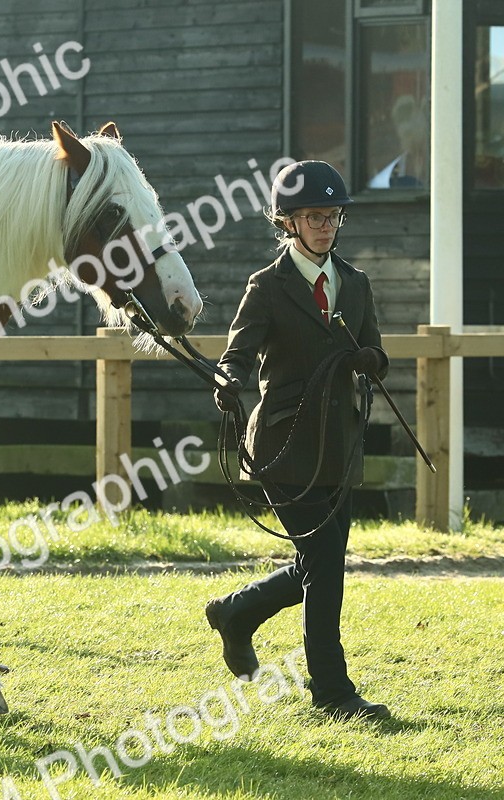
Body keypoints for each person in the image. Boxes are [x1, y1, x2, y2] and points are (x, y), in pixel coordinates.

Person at [205, 161, 391, 721]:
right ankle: (333, 693)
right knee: (326, 560)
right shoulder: (266, 287)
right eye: (314, 216)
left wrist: (369, 359)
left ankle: (237, 613)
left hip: (339, 447)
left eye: (333, 216)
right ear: (288, 221)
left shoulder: (354, 284)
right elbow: (237, 354)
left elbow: (377, 352)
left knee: (319, 563)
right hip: (285, 449)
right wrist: (227, 380)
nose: (325, 226)